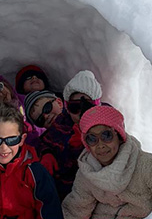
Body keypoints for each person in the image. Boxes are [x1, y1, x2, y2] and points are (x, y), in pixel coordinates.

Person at [37, 70, 103, 200]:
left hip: (97, 189)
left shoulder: (106, 121)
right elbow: (43, 142)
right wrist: (46, 153)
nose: (80, 113)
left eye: (87, 105)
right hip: (65, 191)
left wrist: (84, 145)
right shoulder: (63, 123)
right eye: (74, 107)